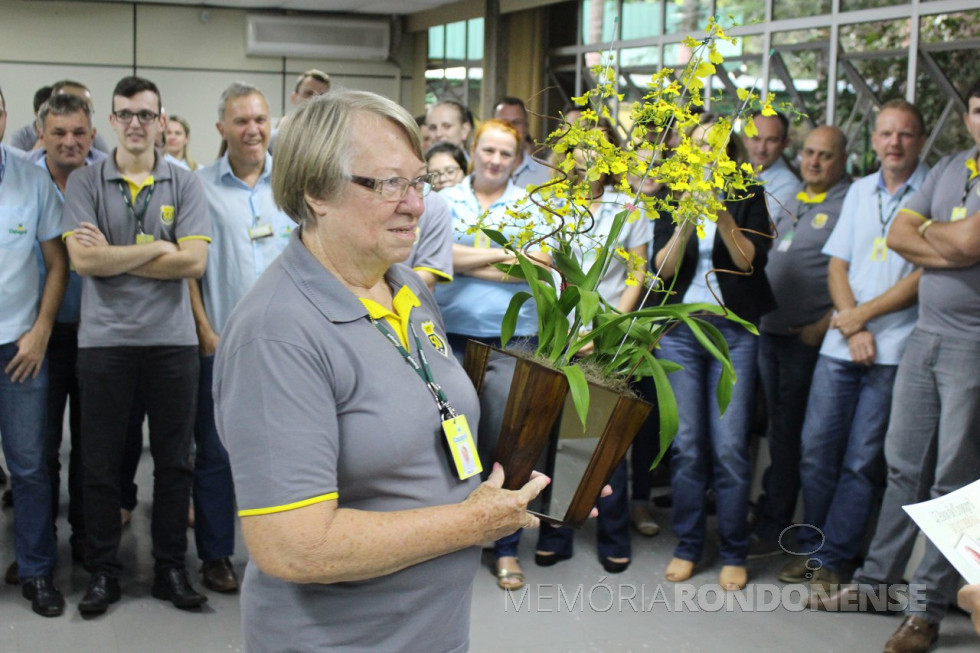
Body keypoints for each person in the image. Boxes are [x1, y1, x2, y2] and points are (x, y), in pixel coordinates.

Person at [213, 88, 549, 651]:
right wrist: (473, 524)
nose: (416, 205)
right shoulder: (277, 333)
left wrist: (537, 482)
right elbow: (294, 546)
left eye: (418, 182)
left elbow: (429, 434)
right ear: (316, 192)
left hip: (430, 630)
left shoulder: (406, 287)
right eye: (388, 184)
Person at [811, 80, 980, 653]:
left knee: (952, 478)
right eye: (979, 109)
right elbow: (903, 234)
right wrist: (943, 239)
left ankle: (926, 609)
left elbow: (971, 240)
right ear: (968, 116)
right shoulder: (955, 166)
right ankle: (875, 584)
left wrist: (933, 238)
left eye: (906, 132)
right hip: (927, 338)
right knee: (902, 467)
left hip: (971, 344)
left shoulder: (940, 173)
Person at [62, 75, 211, 615]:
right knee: (100, 463)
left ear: (161, 122)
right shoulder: (84, 182)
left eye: (145, 115)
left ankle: (171, 568)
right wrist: (158, 251)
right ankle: (104, 572)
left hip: (171, 344)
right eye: (125, 114)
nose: (135, 124)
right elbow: (84, 263)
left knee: (175, 462)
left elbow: (194, 263)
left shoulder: (185, 183)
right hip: (104, 345)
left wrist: (117, 254)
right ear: (111, 121)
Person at [792, 100, 928, 592]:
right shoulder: (860, 191)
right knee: (815, 451)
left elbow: (921, 274)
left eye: (906, 135)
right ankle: (812, 547)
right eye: (887, 133)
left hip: (894, 349)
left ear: (920, 140)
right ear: (873, 140)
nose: (895, 143)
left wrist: (863, 320)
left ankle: (834, 559)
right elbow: (837, 265)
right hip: (842, 346)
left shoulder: (931, 191)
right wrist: (854, 327)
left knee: (862, 459)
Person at [652, 115, 774, 591]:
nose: (705, 155)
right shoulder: (669, 194)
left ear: (729, 153)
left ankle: (733, 549)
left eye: (715, 148)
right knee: (686, 446)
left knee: (729, 448)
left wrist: (721, 213)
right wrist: (684, 220)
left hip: (735, 333)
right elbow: (661, 272)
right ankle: (687, 545)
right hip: (683, 330)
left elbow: (747, 262)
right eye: (697, 146)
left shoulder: (747, 194)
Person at [435, 118, 551, 592]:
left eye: (506, 153)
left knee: (508, 440)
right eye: (488, 151)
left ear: (517, 157)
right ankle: (449, 537)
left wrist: (469, 258)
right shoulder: (443, 202)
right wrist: (503, 257)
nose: (495, 161)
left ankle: (504, 546)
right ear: (473, 148)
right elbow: (436, 256)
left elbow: (537, 267)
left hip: (512, 341)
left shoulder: (528, 205)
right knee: (449, 439)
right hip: (449, 335)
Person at [534, 122, 651, 574]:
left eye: (598, 147)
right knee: (559, 438)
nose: (587, 156)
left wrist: (607, 329)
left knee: (607, 441)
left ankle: (614, 534)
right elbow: (544, 265)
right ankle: (556, 531)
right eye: (580, 147)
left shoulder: (630, 207)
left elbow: (637, 274)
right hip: (561, 335)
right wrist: (563, 327)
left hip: (610, 336)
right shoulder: (556, 203)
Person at [188, 82, 289, 595]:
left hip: (290, 350)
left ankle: (285, 556)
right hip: (222, 343)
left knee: (289, 454)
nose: (253, 129)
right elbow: (190, 271)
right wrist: (204, 328)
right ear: (221, 128)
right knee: (215, 454)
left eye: (260, 119)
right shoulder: (198, 187)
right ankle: (215, 555)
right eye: (241, 120)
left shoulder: (292, 185)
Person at [751, 126, 851, 558]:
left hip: (807, 338)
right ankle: (773, 516)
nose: (814, 161)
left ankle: (782, 527)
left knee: (796, 437)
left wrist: (826, 321)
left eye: (825, 155)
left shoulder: (849, 202)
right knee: (778, 432)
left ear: (842, 159)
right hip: (770, 331)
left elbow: (854, 272)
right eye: (809, 153)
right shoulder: (794, 197)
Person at [0, 83, 69, 617]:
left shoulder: (32, 179)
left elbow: (56, 263)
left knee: (28, 466)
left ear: (4, 117)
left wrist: (43, 328)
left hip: (19, 349)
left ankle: (37, 571)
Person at [32, 92, 107, 570]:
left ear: (92, 135)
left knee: (91, 447)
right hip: (36, 336)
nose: (69, 141)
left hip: (98, 333)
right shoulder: (22, 178)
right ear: (41, 134)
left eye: (79, 132)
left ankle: (85, 537)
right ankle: (36, 546)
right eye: (58, 132)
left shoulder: (106, 179)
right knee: (37, 449)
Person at [745, 110, 798, 215]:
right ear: (745, 139)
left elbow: (759, 228)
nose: (761, 149)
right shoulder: (737, 171)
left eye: (771, 140)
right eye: (756, 139)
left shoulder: (788, 185)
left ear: (785, 144)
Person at [493, 96, 552, 190]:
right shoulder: (479, 172)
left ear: (526, 127)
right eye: (503, 122)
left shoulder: (549, 173)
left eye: (516, 122)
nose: (509, 127)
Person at [8, 85, 52, 152]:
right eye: (46, 113)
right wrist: (36, 151)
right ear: (35, 113)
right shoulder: (19, 136)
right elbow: (15, 162)